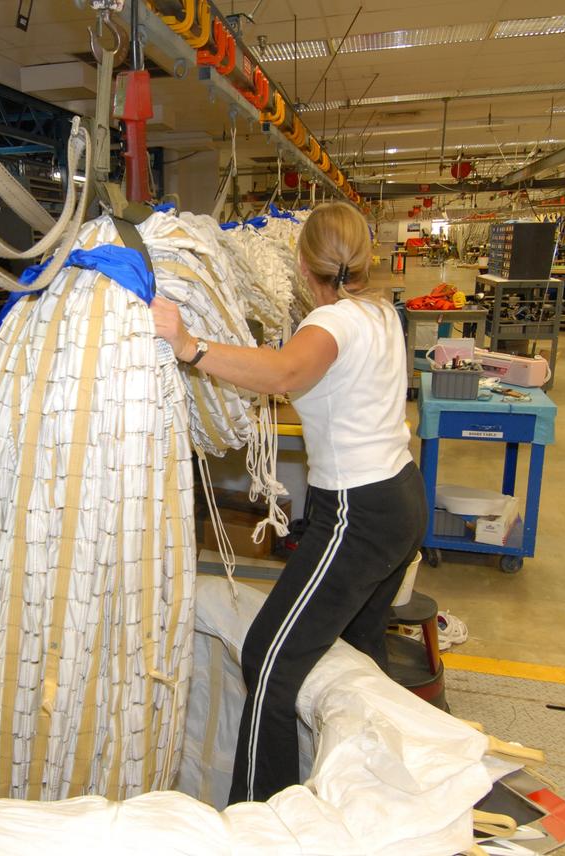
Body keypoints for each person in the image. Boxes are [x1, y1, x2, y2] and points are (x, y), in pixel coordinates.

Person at [151, 203, 426, 803]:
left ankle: (261, 817)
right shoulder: (380, 313)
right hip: (401, 496)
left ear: (302, 264)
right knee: (358, 654)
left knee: (269, 662)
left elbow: (283, 374)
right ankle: (362, 797)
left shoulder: (331, 326)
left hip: (358, 513)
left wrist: (188, 344)